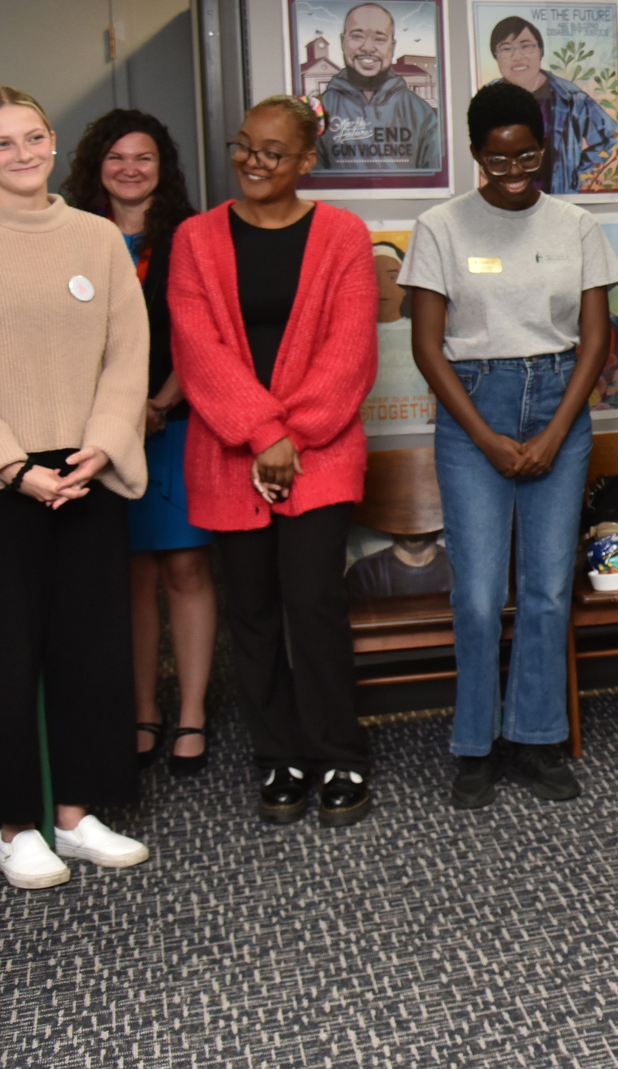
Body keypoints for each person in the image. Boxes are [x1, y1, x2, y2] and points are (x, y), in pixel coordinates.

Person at [403, 80, 618, 809]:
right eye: (498, 158)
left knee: (549, 589)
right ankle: (475, 745)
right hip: (474, 407)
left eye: (527, 153)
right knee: (478, 593)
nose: (515, 169)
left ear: (544, 146)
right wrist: (488, 437)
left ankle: (537, 738)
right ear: (475, 155)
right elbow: (428, 348)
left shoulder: (576, 225)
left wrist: (557, 428)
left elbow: (596, 339)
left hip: (560, 402)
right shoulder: (442, 227)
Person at [168, 95, 379, 828]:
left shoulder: (343, 235)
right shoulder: (196, 239)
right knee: (251, 612)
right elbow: (199, 351)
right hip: (231, 454)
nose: (254, 162)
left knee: (314, 605)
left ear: (307, 161)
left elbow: (350, 353)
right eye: (244, 147)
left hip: (319, 453)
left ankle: (339, 752)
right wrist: (264, 437)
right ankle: (278, 756)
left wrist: (294, 436)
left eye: (273, 152)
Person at [0, 86, 152, 889]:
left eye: (33, 137)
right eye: (4, 145)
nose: (24, 154)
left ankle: (78, 815)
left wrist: (100, 449)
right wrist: (15, 468)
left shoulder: (96, 238)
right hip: (6, 474)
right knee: (8, 651)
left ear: (54, 141)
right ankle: (15, 825)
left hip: (86, 466)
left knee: (91, 647)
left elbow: (128, 354)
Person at [63, 109, 216, 776]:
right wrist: (116, 414)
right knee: (129, 577)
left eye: (145, 157)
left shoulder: (190, 235)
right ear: (96, 164)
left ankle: (193, 713)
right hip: (99, 436)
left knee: (184, 568)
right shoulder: (74, 237)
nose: (131, 169)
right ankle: (142, 708)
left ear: (164, 166)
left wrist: (158, 401)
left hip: (175, 424)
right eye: (117, 157)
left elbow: (203, 333)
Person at [488, 16, 618, 196]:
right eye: (506, 49)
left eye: (526, 46)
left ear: (540, 51)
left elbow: (609, 137)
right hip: (506, 204)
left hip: (556, 202)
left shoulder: (572, 97)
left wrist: (577, 178)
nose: (516, 56)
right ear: (496, 57)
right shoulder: (487, 99)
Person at [313, 3, 443, 174]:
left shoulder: (422, 114)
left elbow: (432, 179)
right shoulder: (318, 111)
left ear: (392, 46)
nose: (367, 47)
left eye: (379, 39)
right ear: (343, 42)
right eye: (357, 36)